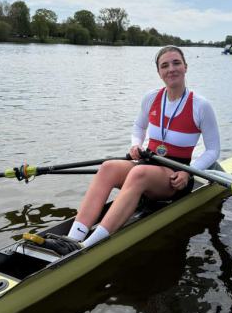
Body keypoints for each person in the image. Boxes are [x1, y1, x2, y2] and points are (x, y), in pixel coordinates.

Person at [54, 45, 220, 253]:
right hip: (148, 163)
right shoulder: (151, 98)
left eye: (176, 63)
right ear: (159, 72)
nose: (171, 69)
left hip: (175, 176)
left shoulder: (201, 106)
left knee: (138, 173)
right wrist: (136, 144)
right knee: (108, 167)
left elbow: (213, 150)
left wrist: (189, 172)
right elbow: (139, 127)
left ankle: (88, 246)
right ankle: (73, 238)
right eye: (165, 65)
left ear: (185, 67)